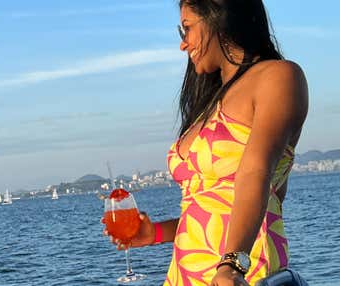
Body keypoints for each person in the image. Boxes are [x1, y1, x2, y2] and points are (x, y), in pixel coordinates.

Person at [103, 0, 308, 285]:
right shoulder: (208, 104)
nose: (183, 44)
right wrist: (156, 234)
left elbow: (255, 174)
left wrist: (232, 265)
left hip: (239, 271)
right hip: (187, 273)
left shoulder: (278, 76)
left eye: (187, 28)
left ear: (219, 15)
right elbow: (206, 207)